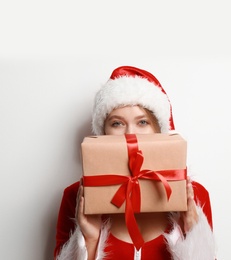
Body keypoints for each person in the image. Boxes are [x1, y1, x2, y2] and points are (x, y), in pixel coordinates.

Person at [54, 66, 216, 260]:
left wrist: (192, 233)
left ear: (159, 130)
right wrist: (88, 240)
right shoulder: (76, 197)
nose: (130, 134)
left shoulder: (194, 196)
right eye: (117, 123)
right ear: (103, 132)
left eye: (142, 122)